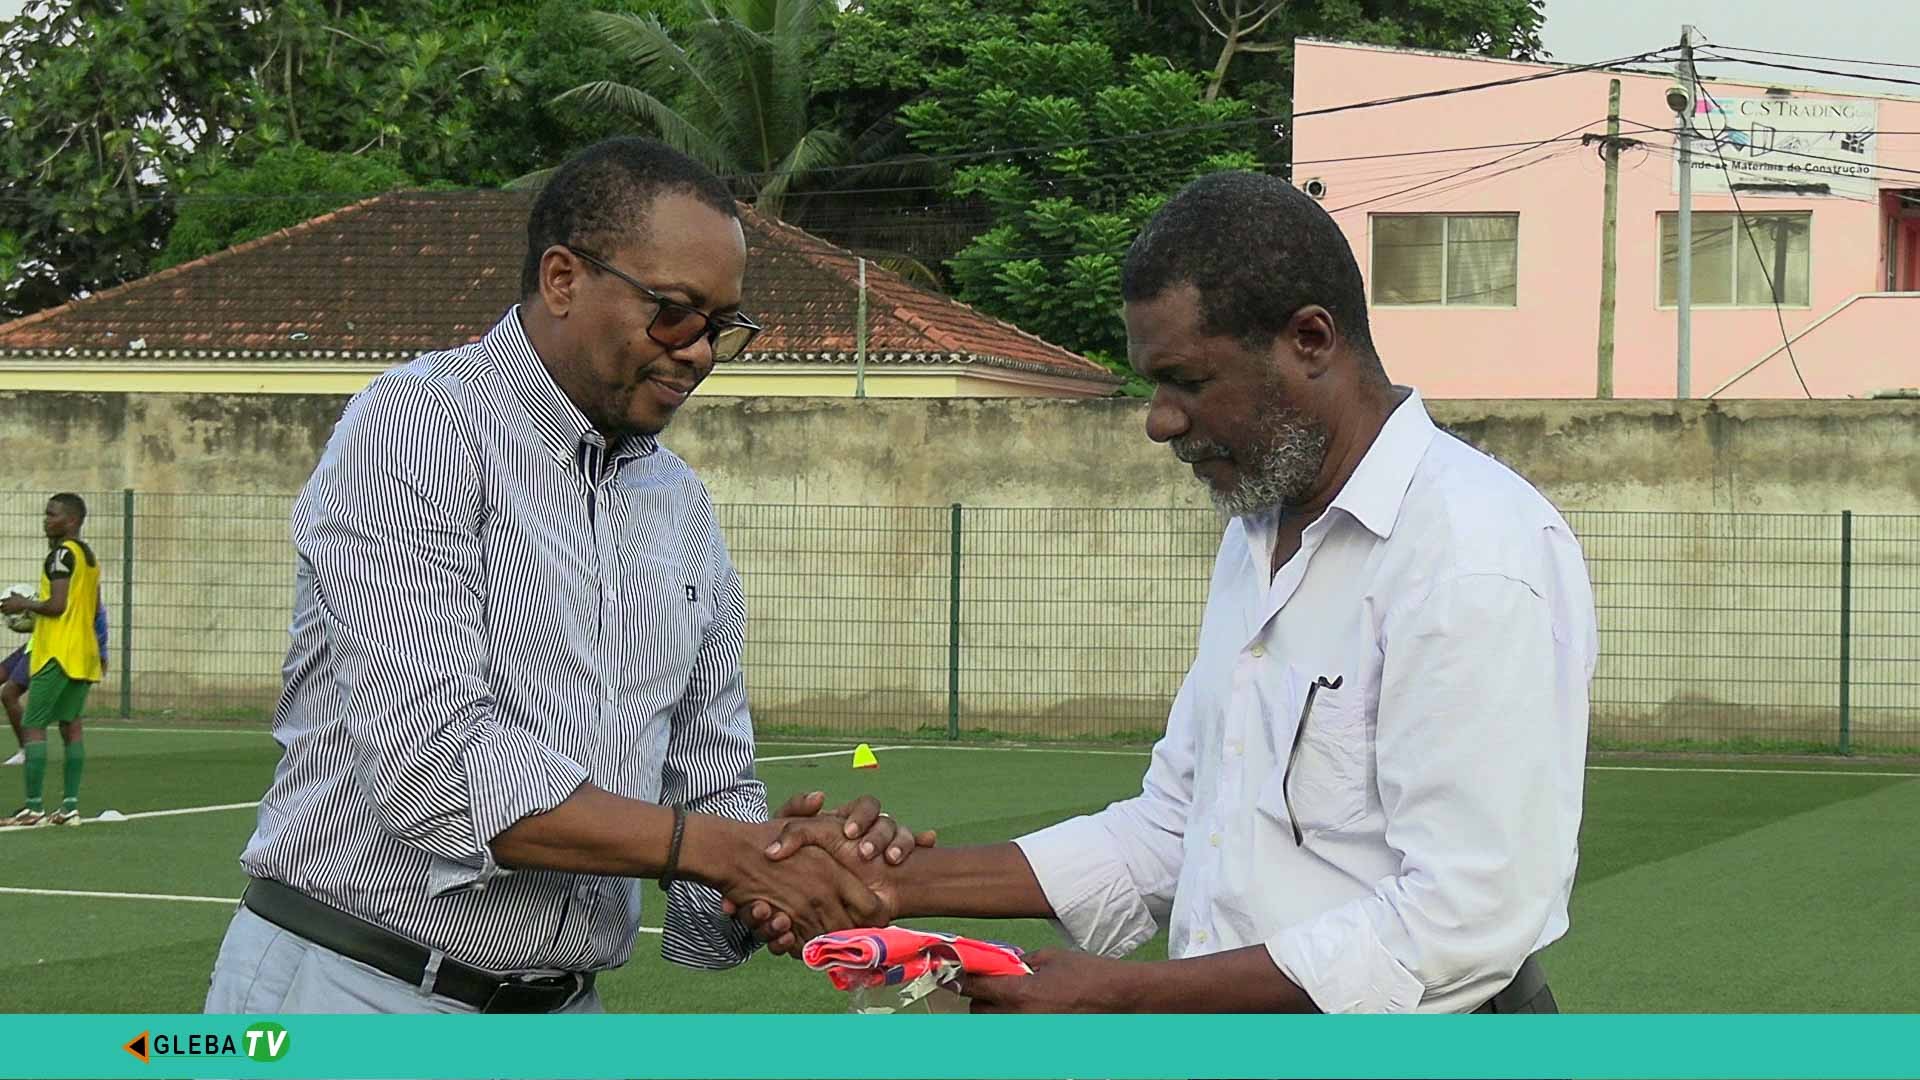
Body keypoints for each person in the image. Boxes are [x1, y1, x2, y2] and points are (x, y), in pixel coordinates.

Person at [741, 171, 1598, 1015]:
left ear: (1310, 340)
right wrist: (885, 883)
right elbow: (1178, 827)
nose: (1159, 420)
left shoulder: (1471, 553)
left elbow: (1461, 920)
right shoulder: (1257, 531)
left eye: (1187, 381)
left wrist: (1133, 997)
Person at [204, 137, 929, 1017]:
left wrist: (776, 865)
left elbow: (708, 782)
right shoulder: (419, 427)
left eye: (722, 326)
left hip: (565, 1012)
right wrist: (717, 849)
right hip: (359, 989)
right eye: (675, 313)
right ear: (562, 279)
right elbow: (435, 768)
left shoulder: (678, 502)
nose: (700, 352)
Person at [0, 494, 104, 827]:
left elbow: (57, 606)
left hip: (57, 652)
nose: (46, 520)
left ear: (71, 520)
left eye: (52, 515)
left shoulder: (60, 555)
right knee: (70, 725)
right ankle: (69, 807)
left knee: (33, 724)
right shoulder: (88, 558)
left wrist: (24, 605)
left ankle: (33, 808)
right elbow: (90, 607)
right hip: (84, 652)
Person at [3, 603, 107, 768]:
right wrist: (25, 616)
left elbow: (90, 614)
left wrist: (101, 653)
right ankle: (30, 751)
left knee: (12, 695)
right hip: (37, 643)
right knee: (9, 692)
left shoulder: (80, 595)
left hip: (55, 650)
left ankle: (30, 752)